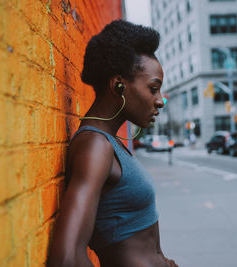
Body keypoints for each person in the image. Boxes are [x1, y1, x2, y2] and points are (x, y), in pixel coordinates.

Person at [47, 20, 178, 267]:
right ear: (119, 84)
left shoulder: (108, 142)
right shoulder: (95, 146)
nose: (160, 101)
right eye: (153, 89)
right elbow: (66, 259)